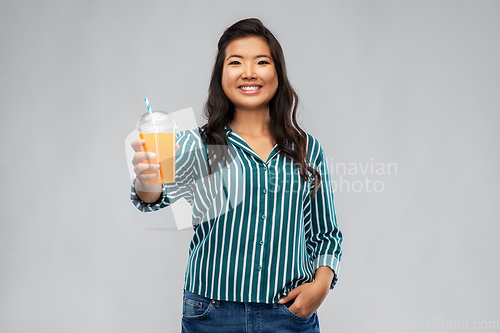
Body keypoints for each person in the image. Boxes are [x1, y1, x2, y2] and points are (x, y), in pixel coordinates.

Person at [130, 18, 342, 333]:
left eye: (261, 61)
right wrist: (147, 176)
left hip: (288, 315)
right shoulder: (198, 144)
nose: (249, 72)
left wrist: (320, 286)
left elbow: (326, 234)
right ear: (221, 75)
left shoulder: (306, 148)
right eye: (236, 62)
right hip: (212, 314)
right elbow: (153, 198)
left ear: (277, 73)